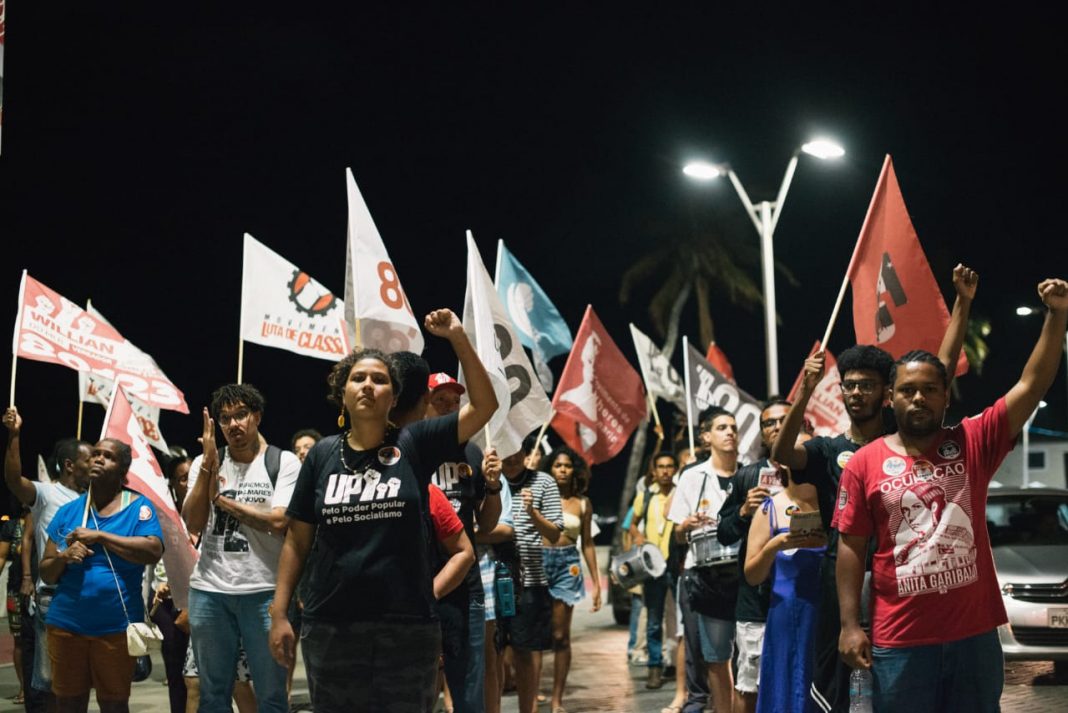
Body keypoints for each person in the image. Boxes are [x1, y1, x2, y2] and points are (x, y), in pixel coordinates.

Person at [835, 276, 1068, 713]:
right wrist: (850, 625)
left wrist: (1057, 314)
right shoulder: (864, 463)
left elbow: (1031, 385)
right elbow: (850, 547)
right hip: (900, 642)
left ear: (945, 398)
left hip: (973, 638)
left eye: (929, 390)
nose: (918, 398)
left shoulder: (972, 442)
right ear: (890, 398)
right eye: (907, 390)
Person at [268, 308, 498, 713]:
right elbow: (297, 540)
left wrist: (458, 337)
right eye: (359, 378)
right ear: (343, 393)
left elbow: (484, 406)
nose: (368, 385)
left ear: (393, 396)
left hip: (406, 628)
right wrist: (279, 611)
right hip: (331, 626)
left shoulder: (414, 444)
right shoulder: (322, 455)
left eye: (380, 380)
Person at [772, 263, 976, 712]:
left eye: (866, 385)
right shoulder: (828, 449)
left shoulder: (904, 441)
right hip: (840, 580)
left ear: (888, 393)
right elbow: (783, 454)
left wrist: (962, 302)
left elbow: (939, 370)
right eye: (848, 386)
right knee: (838, 681)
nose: (855, 393)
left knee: (895, 681)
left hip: (898, 579)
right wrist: (803, 393)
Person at [391, 357, 503, 713]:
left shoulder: (471, 451)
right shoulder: (404, 450)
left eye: (454, 402)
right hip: (412, 584)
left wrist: (494, 485)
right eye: (440, 400)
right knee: (416, 685)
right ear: (423, 404)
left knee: (469, 683)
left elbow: (485, 526)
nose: (449, 407)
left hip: (463, 586)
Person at [182, 383, 301, 713]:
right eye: (224, 418)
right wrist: (207, 465)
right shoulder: (205, 463)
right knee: (213, 693)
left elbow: (278, 521)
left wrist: (221, 501)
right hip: (209, 591)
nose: (233, 424)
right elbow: (192, 522)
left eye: (241, 415)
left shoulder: (283, 462)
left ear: (257, 416)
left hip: (264, 592)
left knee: (271, 695)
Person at [38, 438, 164, 713]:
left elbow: (153, 549)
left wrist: (101, 536)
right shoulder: (69, 511)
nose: (98, 459)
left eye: (108, 456)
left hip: (116, 627)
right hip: (67, 624)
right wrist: (64, 556)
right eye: (95, 454)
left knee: (114, 703)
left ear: (123, 470)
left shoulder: (138, 507)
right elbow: (46, 572)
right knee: (68, 702)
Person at [4, 407, 91, 712]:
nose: (94, 465)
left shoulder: (93, 500)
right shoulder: (47, 494)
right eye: (88, 460)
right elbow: (14, 480)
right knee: (49, 683)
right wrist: (14, 435)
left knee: (77, 681)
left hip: (84, 598)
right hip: (52, 600)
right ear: (69, 465)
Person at [716, 398, 791, 713]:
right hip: (755, 602)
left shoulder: (814, 468)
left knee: (792, 681)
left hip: (802, 595)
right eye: (769, 423)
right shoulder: (747, 476)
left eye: (782, 420)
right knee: (749, 686)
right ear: (762, 433)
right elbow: (724, 532)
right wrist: (745, 511)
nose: (776, 427)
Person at [667, 406, 741, 713]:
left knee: (750, 655)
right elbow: (677, 534)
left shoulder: (750, 473)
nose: (730, 433)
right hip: (707, 577)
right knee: (716, 657)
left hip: (746, 574)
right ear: (706, 436)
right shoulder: (693, 477)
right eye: (722, 427)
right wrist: (687, 525)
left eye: (733, 428)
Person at [743, 456, 827, 712]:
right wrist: (775, 545)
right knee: (785, 682)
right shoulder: (769, 508)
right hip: (786, 614)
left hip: (827, 613)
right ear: (783, 466)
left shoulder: (832, 502)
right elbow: (752, 575)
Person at [498, 437, 564, 713]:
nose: (512, 458)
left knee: (527, 650)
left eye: (518, 452)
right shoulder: (486, 479)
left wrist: (532, 512)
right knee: (494, 653)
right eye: (506, 452)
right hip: (493, 579)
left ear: (526, 453)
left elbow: (554, 533)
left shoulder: (544, 482)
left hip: (531, 581)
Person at [539, 445, 601, 713]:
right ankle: (533, 693)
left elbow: (587, 543)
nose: (563, 470)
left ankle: (556, 700)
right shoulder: (540, 497)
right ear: (549, 470)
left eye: (567, 465)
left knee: (560, 636)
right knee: (535, 636)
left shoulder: (583, 503)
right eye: (557, 465)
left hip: (568, 565)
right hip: (538, 562)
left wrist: (596, 582)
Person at [629, 451, 678, 690]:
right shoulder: (645, 495)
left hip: (678, 562)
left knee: (682, 619)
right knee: (654, 620)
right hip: (653, 567)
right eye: (661, 467)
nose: (665, 471)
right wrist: (638, 538)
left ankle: (683, 667)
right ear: (654, 471)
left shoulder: (682, 493)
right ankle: (655, 668)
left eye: (670, 466)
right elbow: (632, 524)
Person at [474, 447, 515, 713]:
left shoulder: (493, 476)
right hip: (433, 567)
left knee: (489, 656)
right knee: (440, 659)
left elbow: (505, 528)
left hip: (483, 570)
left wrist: (458, 535)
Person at [0, 506, 30, 704]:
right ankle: (23, 688)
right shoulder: (11, 527)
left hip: (43, 589)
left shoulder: (47, 519)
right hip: (15, 590)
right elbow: (2, 556)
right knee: (19, 641)